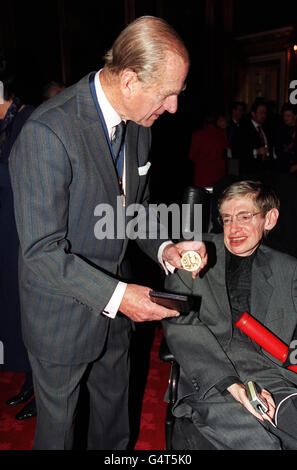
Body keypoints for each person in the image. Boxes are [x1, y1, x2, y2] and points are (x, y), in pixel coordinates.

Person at [8, 16, 207, 450]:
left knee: (114, 427)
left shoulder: (139, 125)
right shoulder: (48, 132)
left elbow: (131, 211)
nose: (174, 107)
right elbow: (41, 253)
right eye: (168, 93)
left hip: (117, 317)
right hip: (61, 317)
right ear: (131, 79)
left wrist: (166, 247)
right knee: (58, 434)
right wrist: (120, 296)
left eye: (179, 93)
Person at [162, 180, 297, 450]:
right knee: (258, 444)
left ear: (269, 219)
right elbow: (180, 325)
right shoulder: (191, 255)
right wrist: (231, 384)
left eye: (245, 217)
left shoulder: (288, 269)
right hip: (212, 377)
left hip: (273, 376)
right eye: (227, 219)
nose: (234, 229)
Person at [0, 70, 36, 421]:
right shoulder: (6, 125)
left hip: (24, 233)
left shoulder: (29, 119)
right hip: (5, 230)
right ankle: (30, 379)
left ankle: (41, 386)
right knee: (14, 309)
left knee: (29, 311)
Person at [188, 113, 230, 188]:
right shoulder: (222, 133)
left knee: (203, 197)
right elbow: (227, 151)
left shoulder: (197, 134)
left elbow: (192, 156)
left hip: (202, 174)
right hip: (218, 173)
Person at [240, 101, 274, 175]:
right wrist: (256, 152)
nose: (264, 115)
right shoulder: (244, 129)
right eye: (261, 113)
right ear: (253, 114)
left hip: (266, 169)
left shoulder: (267, 127)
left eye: (265, 113)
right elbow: (238, 150)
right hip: (250, 170)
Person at [275, 102, 297, 174]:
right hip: (284, 169)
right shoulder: (280, 130)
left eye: (288, 116)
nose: (285, 118)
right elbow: (278, 150)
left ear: (295, 116)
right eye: (284, 116)